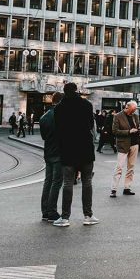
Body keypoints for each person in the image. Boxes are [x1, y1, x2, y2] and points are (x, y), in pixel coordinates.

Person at [54, 82, 99, 226]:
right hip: (85, 148)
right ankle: (88, 215)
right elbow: (91, 126)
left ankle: (65, 217)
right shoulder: (86, 105)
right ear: (77, 90)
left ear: (64, 91)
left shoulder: (59, 108)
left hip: (68, 149)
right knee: (87, 182)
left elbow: (58, 130)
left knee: (67, 183)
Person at [39, 92, 63, 222]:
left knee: (48, 181)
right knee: (56, 182)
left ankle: (45, 211)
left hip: (48, 152)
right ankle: (52, 211)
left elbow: (43, 137)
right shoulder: (62, 116)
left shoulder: (44, 117)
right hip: (59, 152)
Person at [111, 100, 140, 196]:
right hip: (123, 144)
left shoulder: (135, 116)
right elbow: (115, 131)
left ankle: (127, 188)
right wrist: (129, 132)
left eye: (135, 110)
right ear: (127, 107)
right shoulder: (118, 116)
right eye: (132, 110)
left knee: (131, 168)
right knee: (119, 167)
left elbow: (139, 126)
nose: (133, 112)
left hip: (134, 144)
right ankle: (113, 189)